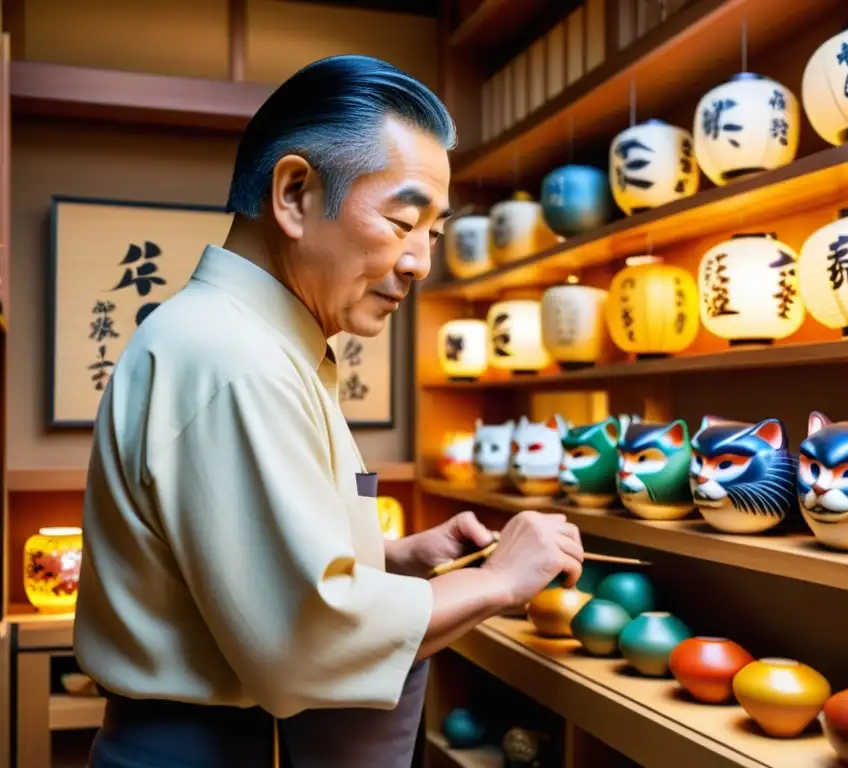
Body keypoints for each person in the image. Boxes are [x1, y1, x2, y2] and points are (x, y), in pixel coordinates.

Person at [73, 54, 584, 768]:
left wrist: (400, 560)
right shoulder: (235, 357)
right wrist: (497, 581)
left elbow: (241, 574)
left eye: (433, 234)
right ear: (294, 194)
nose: (419, 262)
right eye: (404, 220)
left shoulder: (256, 344)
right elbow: (301, 641)